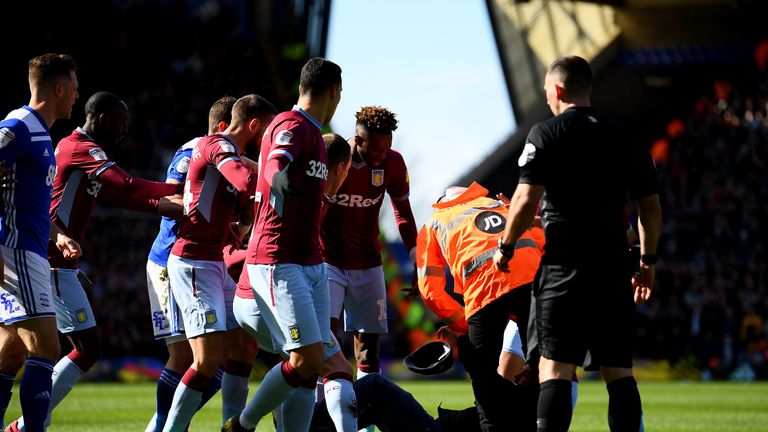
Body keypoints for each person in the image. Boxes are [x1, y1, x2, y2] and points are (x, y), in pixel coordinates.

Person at [492, 55, 662, 432]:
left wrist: (506, 246)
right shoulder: (625, 138)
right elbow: (649, 209)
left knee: (554, 368)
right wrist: (646, 261)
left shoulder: (546, 133)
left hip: (562, 267)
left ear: (557, 90)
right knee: (619, 371)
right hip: (613, 267)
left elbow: (524, 201)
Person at [5, 90, 183, 432]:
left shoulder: (75, 148)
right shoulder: (82, 148)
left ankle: (27, 422)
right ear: (100, 118)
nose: (124, 130)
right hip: (52, 259)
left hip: (57, 259)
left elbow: (120, 195)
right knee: (84, 348)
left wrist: (158, 204)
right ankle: (27, 425)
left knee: (29, 346)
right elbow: (125, 183)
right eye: (120, 122)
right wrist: (175, 188)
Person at [223, 57, 343, 432]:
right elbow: (276, 162)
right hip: (278, 260)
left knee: (311, 368)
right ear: (335, 92)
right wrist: (278, 180)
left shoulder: (318, 139)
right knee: (307, 359)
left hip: (310, 262)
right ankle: (242, 425)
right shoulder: (291, 125)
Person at [162, 94, 276, 432]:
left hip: (212, 263)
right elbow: (244, 180)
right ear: (254, 125)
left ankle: (232, 426)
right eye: (267, 133)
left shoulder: (234, 153)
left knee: (244, 343)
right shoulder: (216, 145)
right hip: (192, 262)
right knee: (208, 358)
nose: (268, 142)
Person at [232, 132, 357, 432]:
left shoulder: (301, 187)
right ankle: (242, 424)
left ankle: (246, 422)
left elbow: (266, 171)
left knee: (306, 369)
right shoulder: (307, 196)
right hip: (268, 291)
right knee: (328, 365)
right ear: (338, 168)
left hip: (254, 293)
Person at [145, 95, 246, 431]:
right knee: (187, 358)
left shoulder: (228, 154)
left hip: (205, 260)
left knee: (217, 364)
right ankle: (162, 426)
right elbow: (170, 195)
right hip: (172, 261)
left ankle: (171, 422)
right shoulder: (193, 152)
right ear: (223, 127)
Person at [416, 182, 544, 431]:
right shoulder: (498, 203)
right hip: (533, 278)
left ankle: (480, 425)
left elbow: (430, 291)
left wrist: (461, 323)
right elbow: (540, 239)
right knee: (541, 367)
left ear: (444, 201)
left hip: (483, 289)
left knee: (482, 373)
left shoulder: (433, 223)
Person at [0, 53, 82, 432]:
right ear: (59, 88)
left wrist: (57, 234)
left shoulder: (42, 135)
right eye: (75, 89)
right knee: (47, 347)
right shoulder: (17, 127)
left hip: (28, 246)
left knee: (10, 350)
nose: (77, 98)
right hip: (14, 252)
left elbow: (28, 200)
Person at [321, 106, 417, 388]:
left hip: (368, 262)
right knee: (322, 339)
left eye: (386, 147)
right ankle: (317, 416)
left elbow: (403, 213)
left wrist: (416, 260)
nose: (381, 154)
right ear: (358, 139)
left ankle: (366, 422)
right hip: (328, 260)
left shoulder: (394, 163)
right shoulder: (334, 156)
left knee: (369, 349)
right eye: (375, 148)